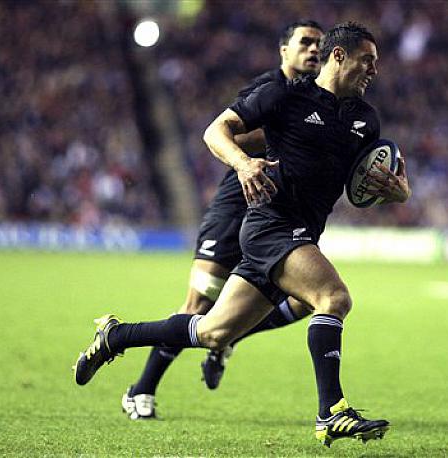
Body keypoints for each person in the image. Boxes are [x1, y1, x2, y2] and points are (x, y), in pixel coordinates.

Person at [74, 22, 410, 447]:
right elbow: (215, 130)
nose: (374, 70)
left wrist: (397, 192)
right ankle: (332, 412)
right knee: (333, 298)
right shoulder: (284, 95)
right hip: (272, 226)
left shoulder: (366, 120)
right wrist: (243, 163)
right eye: (367, 60)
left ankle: (116, 336)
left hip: (300, 231)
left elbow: (361, 185)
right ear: (339, 56)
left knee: (213, 332)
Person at [121, 20, 325, 420]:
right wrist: (287, 133)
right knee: (199, 303)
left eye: (320, 43)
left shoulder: (319, 101)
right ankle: (141, 388)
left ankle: (229, 336)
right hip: (236, 209)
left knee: (306, 301)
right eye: (305, 42)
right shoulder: (269, 89)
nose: (314, 49)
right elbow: (225, 134)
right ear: (284, 50)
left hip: (278, 218)